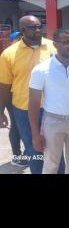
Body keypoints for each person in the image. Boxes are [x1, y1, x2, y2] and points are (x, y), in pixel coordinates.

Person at [0, 15, 65, 174]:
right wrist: (1, 111)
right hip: (24, 109)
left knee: (56, 149)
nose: (38, 30)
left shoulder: (53, 47)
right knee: (34, 149)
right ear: (22, 30)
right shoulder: (9, 54)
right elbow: (4, 86)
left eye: (39, 26)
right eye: (32, 27)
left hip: (53, 108)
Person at [28, 29, 69, 174]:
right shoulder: (41, 70)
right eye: (66, 42)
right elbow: (33, 103)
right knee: (51, 164)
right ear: (55, 44)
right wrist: (35, 134)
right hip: (52, 122)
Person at [1, 31, 27, 167]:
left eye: (21, 37)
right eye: (17, 38)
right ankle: (17, 156)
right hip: (10, 96)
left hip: (24, 95)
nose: (20, 40)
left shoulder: (26, 53)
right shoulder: (8, 55)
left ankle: (30, 153)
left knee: (27, 125)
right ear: (12, 41)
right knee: (16, 126)